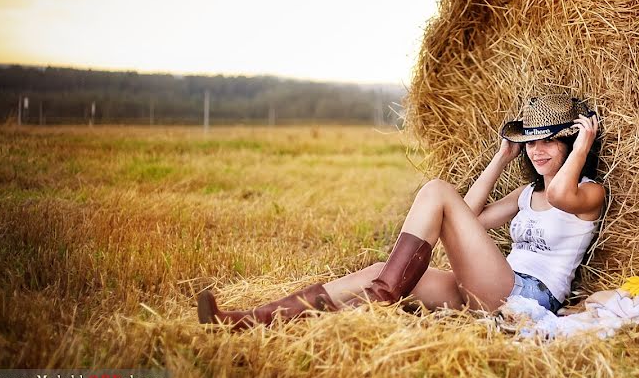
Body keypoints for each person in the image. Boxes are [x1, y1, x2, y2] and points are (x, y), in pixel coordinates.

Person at [198, 94, 605, 329]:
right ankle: (248, 320)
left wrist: (585, 142)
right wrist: (501, 156)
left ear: (569, 144)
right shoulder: (524, 194)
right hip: (492, 285)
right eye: (530, 142)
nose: (536, 150)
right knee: (378, 269)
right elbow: (467, 219)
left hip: (525, 297)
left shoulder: (588, 194)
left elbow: (562, 195)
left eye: (548, 141)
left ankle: (384, 296)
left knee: (436, 192)